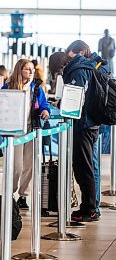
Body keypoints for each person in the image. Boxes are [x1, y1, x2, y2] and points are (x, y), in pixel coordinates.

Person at [49, 49, 107, 222]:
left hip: (84, 126)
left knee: (84, 168)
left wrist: (63, 106)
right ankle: (87, 207)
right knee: (83, 167)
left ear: (60, 65)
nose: (59, 75)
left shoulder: (76, 71)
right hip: (89, 124)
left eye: (58, 71)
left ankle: (90, 209)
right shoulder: (82, 67)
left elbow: (76, 100)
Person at [2, 59, 50, 209]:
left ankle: (23, 196)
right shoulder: (8, 86)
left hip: (31, 129)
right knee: (16, 166)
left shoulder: (36, 88)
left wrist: (45, 111)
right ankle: (10, 193)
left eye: (32, 70)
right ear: (19, 70)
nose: (30, 72)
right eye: (27, 69)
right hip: (14, 131)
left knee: (29, 165)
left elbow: (44, 105)